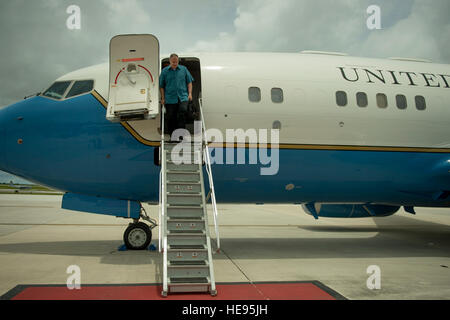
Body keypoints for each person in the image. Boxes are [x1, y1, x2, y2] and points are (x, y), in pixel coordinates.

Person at [159, 53, 194, 140]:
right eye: (173, 62)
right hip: (170, 98)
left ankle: (182, 135)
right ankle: (173, 136)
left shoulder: (183, 69)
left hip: (183, 96)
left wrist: (190, 93)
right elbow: (161, 86)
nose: (175, 63)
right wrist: (163, 98)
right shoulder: (164, 71)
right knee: (171, 117)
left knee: (182, 112)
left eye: (176, 61)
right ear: (170, 61)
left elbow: (189, 82)